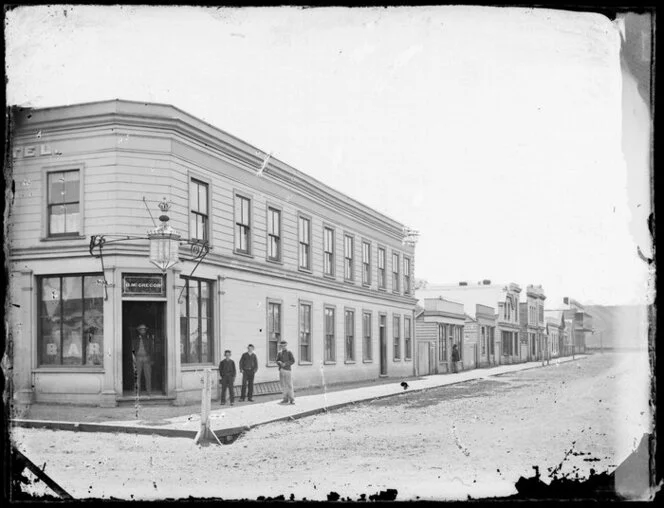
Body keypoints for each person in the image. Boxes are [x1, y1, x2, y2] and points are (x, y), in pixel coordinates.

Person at [132, 324, 154, 395]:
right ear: (139, 331)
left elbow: (151, 350)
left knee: (148, 376)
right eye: (141, 329)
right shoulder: (135, 339)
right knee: (137, 376)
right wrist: (133, 359)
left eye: (144, 329)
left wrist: (152, 360)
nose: (142, 330)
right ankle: (137, 392)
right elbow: (133, 350)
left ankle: (149, 392)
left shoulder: (149, 339)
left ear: (145, 330)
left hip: (146, 358)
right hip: (138, 358)